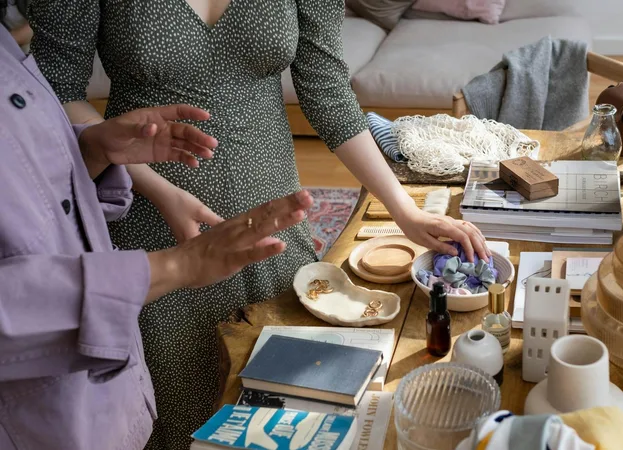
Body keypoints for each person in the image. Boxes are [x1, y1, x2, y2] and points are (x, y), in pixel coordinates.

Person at [26, 1, 491, 448]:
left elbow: (326, 87)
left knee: (290, 407)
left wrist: (403, 210)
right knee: (174, 411)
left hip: (273, 222)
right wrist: (160, 190)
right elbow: (55, 91)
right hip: (151, 226)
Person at [0, 22, 315, 450]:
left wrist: (90, 151)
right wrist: (175, 264)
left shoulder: (6, 47)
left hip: (90, 391)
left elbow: (31, 194)